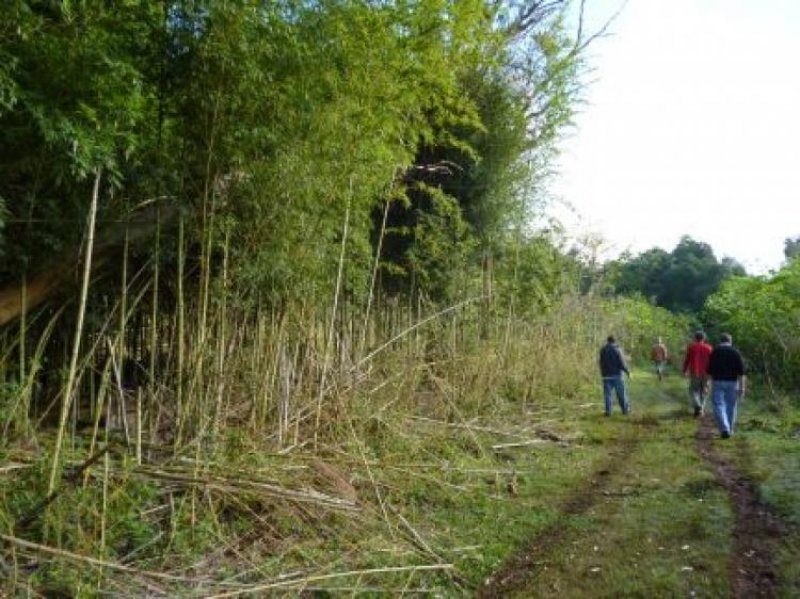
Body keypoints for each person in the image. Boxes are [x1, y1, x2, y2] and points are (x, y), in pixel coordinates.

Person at [706, 333, 746, 439]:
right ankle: (730, 429)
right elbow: (741, 372)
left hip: (717, 381)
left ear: (720, 341)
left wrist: (707, 383)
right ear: (730, 341)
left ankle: (724, 428)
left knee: (718, 405)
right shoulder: (736, 352)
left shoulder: (715, 352)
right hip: (733, 383)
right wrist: (742, 387)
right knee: (731, 406)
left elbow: (709, 369)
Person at [682, 331, 713, 417]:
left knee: (693, 391)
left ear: (695, 338)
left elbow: (687, 359)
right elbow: (712, 362)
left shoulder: (691, 347)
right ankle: (701, 409)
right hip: (706, 373)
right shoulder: (709, 348)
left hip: (695, 372)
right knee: (704, 391)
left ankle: (697, 406)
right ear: (704, 338)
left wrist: (684, 370)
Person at [599, 336, 631, 416]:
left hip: (606, 376)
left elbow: (601, 363)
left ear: (607, 341)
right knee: (621, 394)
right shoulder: (617, 350)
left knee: (608, 395)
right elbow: (622, 363)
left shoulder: (602, 350)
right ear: (614, 341)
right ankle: (625, 410)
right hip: (617, 375)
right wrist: (628, 372)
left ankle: (608, 412)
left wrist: (603, 373)